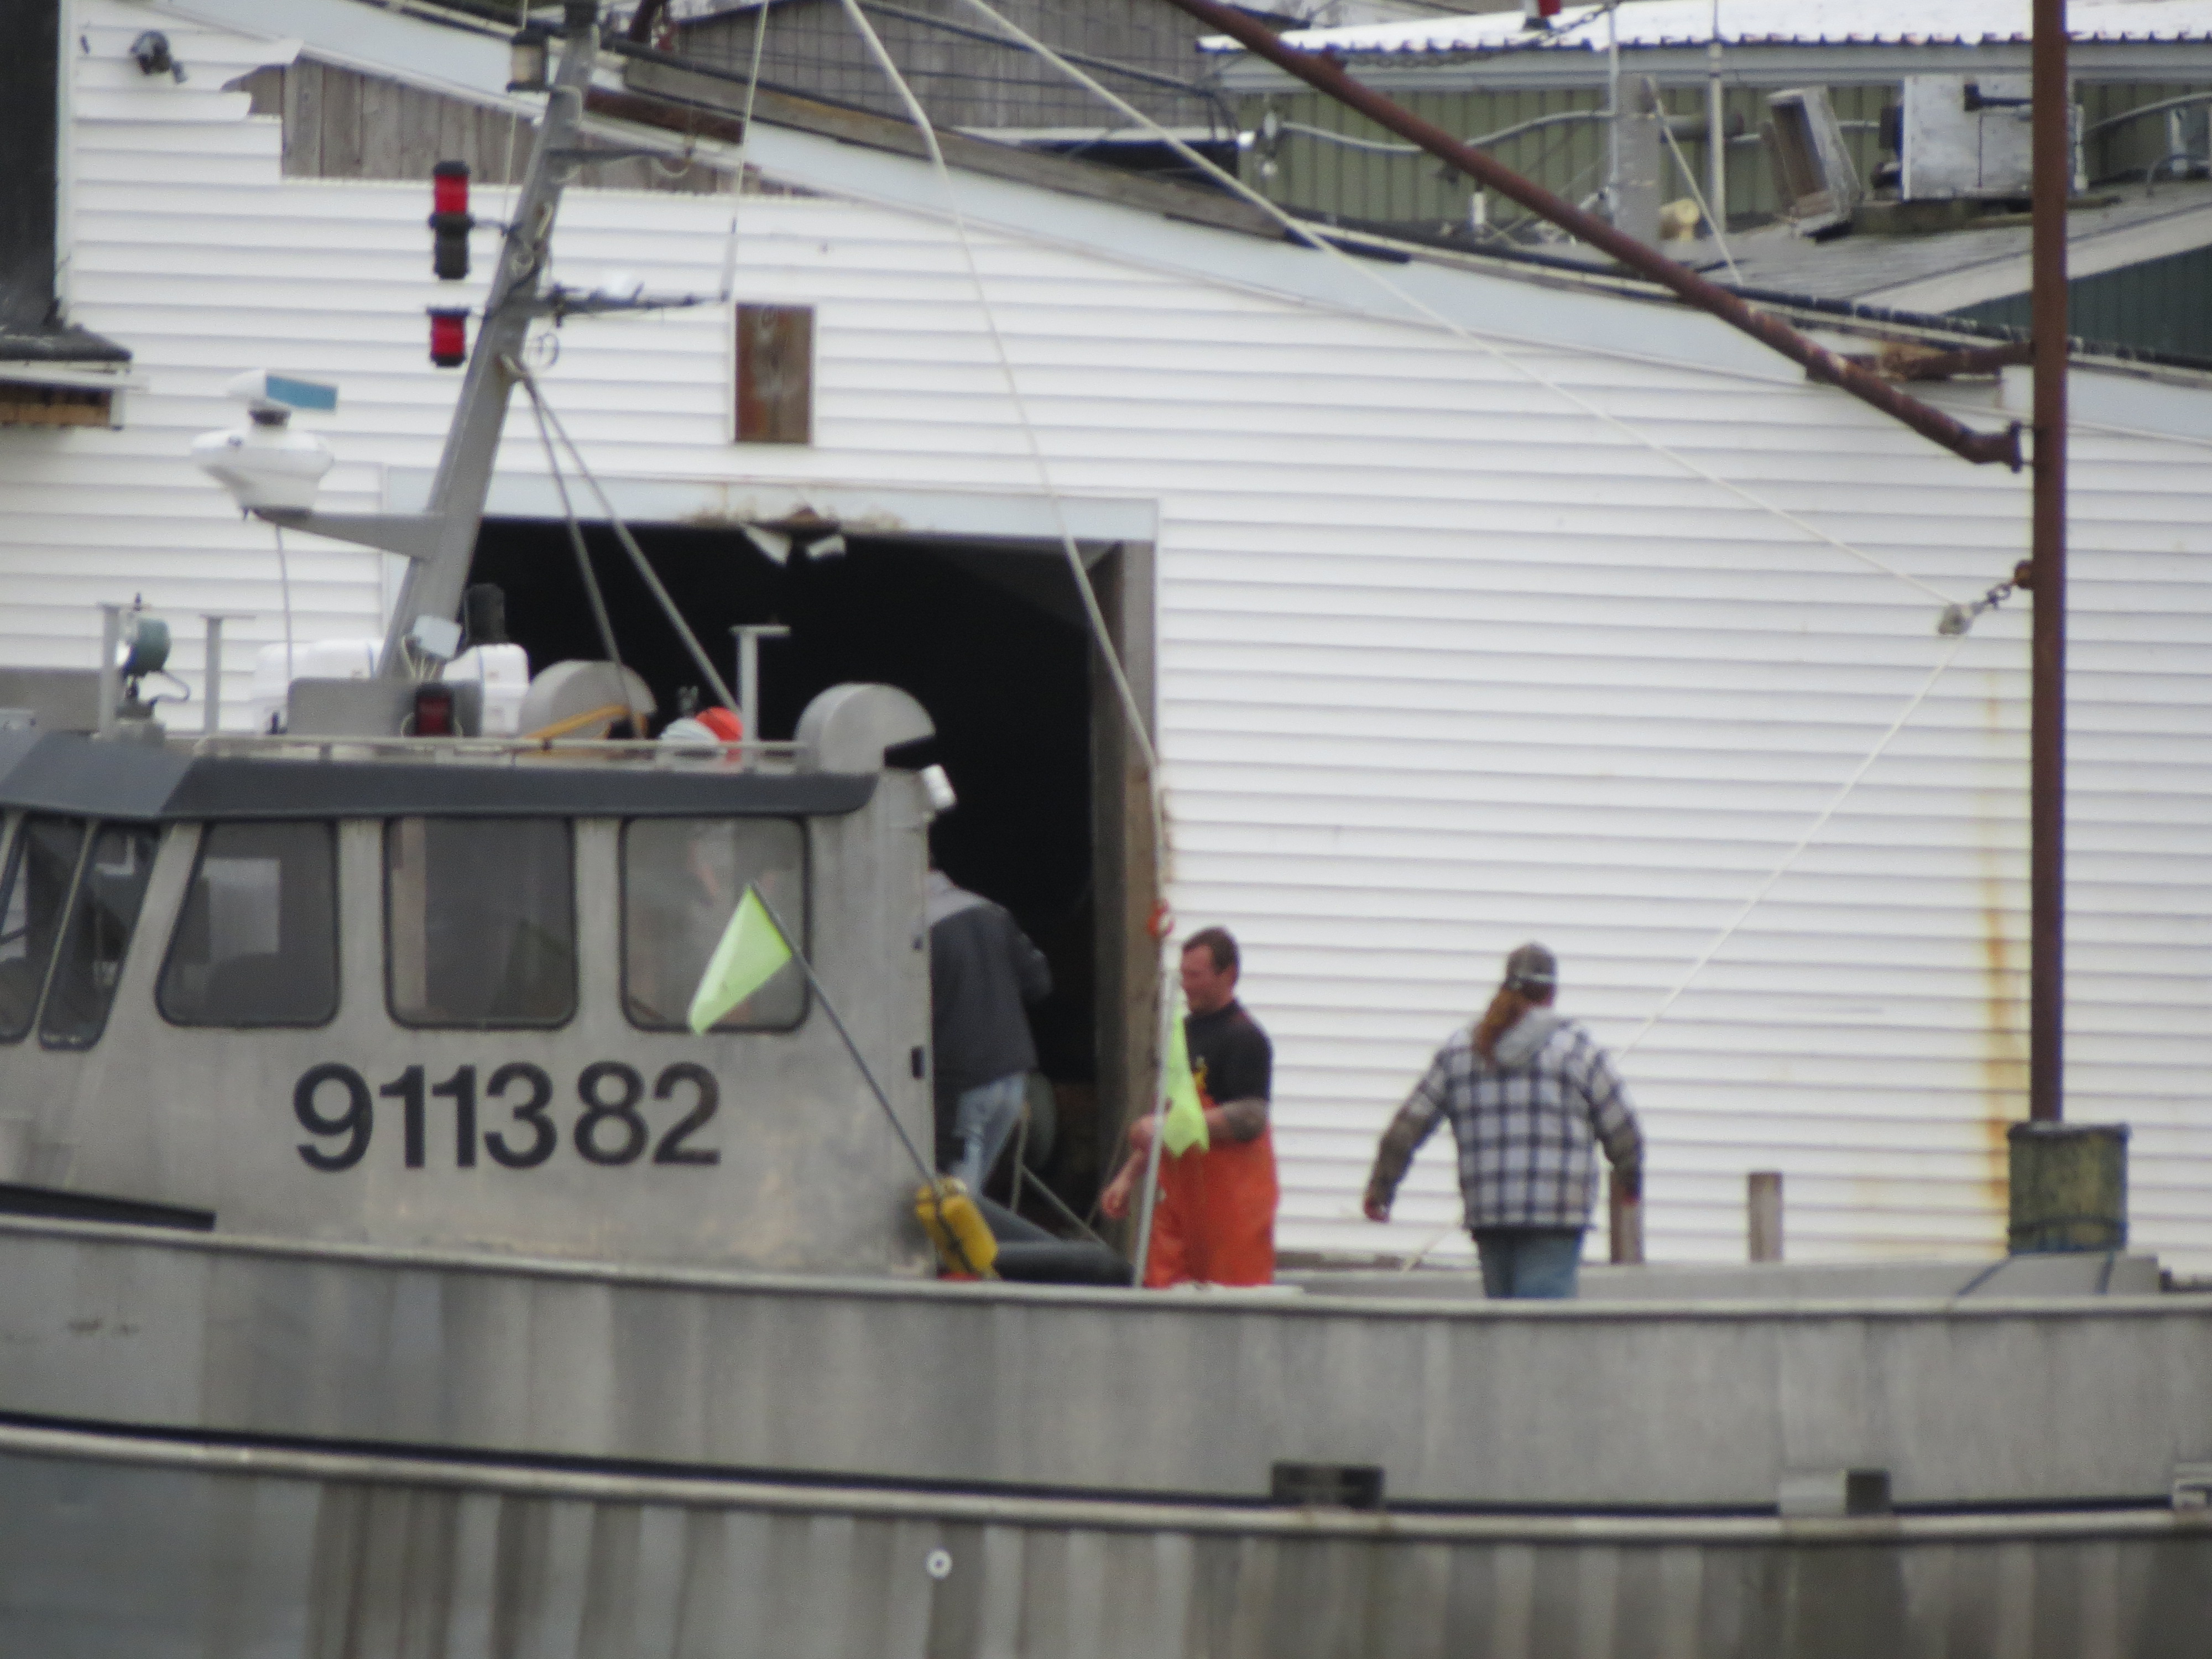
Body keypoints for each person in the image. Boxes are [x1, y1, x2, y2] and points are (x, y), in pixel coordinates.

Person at [1363, 942, 1641, 1300]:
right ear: (1552, 992)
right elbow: (1622, 1127)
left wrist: (1381, 1189)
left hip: (1489, 1212)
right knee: (1541, 1327)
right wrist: (1630, 1181)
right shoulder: (1577, 1049)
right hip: (1556, 1215)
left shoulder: (1462, 1050)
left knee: (1502, 1324)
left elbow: (1408, 1127)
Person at [1100, 927, 1277, 1286]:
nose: (1185, 985)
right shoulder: (1183, 1032)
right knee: (1162, 1288)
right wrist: (1128, 1177)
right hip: (1182, 1202)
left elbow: (1251, 1117)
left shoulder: (1246, 1038)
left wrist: (1170, 1128)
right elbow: (1170, 1117)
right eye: (1183, 975)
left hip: (1233, 1208)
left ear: (1227, 974)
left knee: (1229, 1300)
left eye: (1195, 976)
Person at [927, 866, 1052, 1193]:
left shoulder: (914, 927)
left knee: (956, 1195)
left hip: (962, 1078)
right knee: (972, 1190)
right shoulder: (993, 912)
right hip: (1013, 1074)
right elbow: (1039, 983)